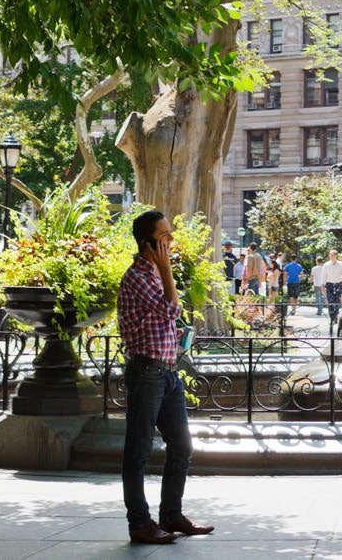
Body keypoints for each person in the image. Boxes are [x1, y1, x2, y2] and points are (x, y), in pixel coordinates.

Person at [117, 209, 214, 546]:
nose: (171, 240)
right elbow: (172, 310)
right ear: (149, 242)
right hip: (147, 372)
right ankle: (139, 523)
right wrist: (166, 268)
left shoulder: (155, 274)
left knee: (182, 446)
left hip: (167, 372)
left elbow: (170, 317)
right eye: (165, 235)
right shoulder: (140, 276)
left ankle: (170, 514)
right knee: (139, 450)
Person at [321, 249, 342, 325]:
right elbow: (323, 276)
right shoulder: (326, 264)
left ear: (336, 255)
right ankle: (332, 318)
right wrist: (322, 285)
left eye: (332, 254)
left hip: (338, 284)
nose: (330, 256)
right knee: (330, 302)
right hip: (329, 285)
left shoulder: (340, 264)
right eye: (330, 254)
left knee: (337, 301)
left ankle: (335, 316)